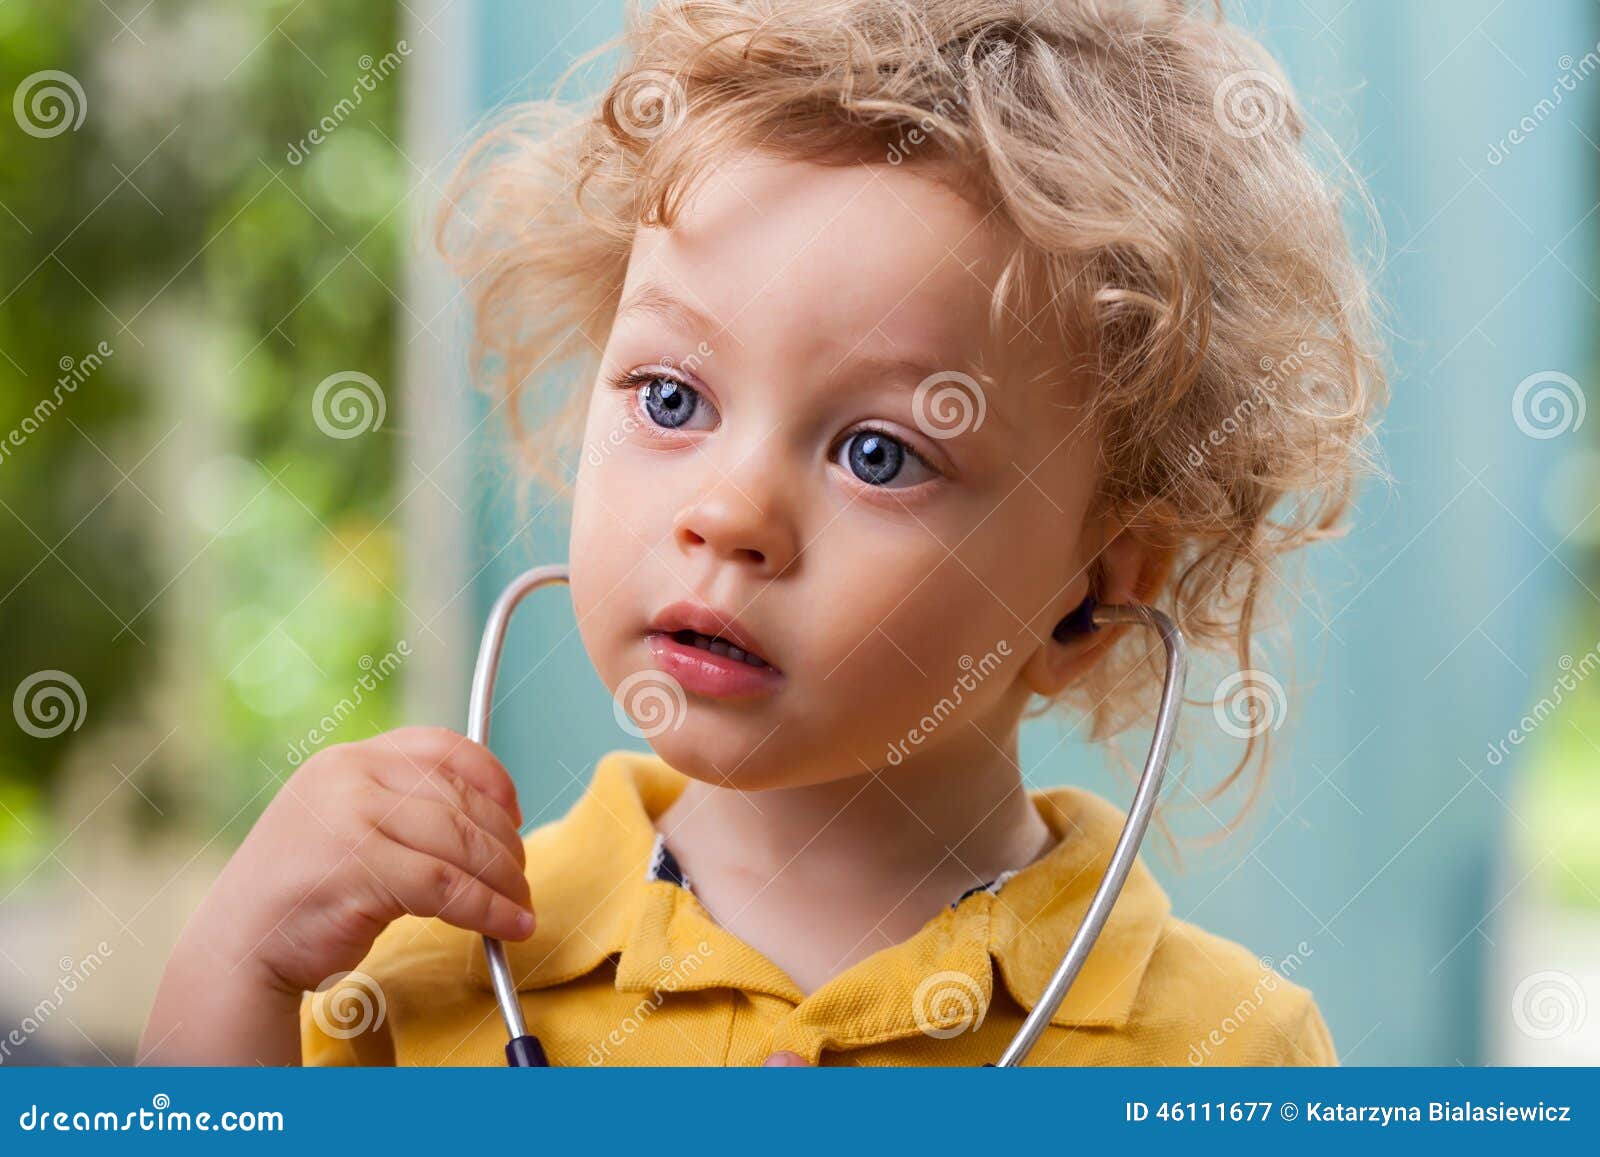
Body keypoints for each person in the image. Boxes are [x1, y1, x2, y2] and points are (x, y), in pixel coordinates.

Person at [139, 0, 1385, 1067]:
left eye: (880, 453)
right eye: (671, 399)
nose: (729, 514)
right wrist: (234, 969)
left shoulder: (1229, 1047)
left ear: (1091, 588)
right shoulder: (412, 972)